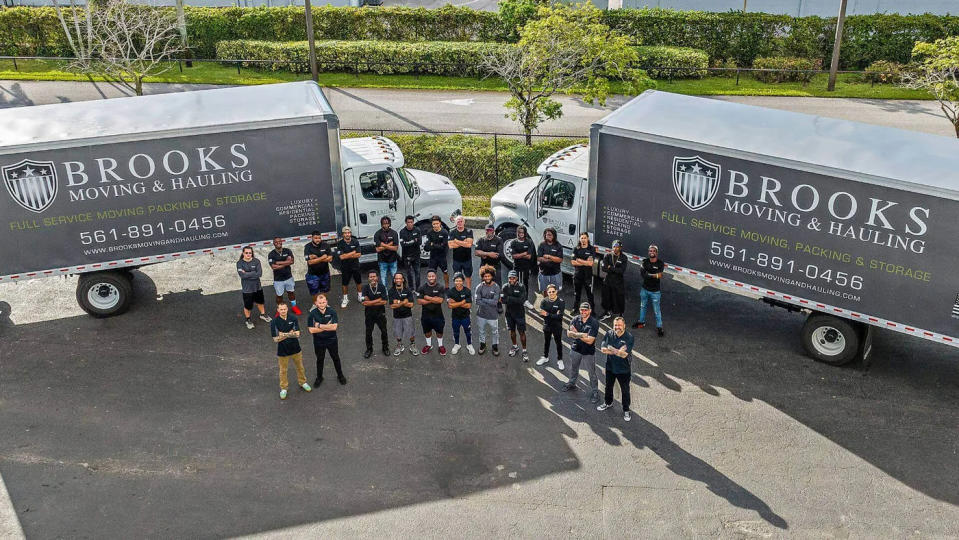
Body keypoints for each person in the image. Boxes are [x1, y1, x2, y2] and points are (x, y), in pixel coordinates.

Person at [271, 302, 311, 400]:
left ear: (287, 309)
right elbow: (275, 339)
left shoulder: (293, 318)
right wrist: (289, 333)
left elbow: (297, 334)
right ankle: (284, 388)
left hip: (296, 349)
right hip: (282, 351)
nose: (283, 311)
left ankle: (303, 382)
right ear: (278, 310)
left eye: (284, 309)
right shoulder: (274, 322)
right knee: (283, 371)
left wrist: (283, 334)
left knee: (300, 367)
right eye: (281, 309)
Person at [598, 317, 635, 421]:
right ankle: (608, 403)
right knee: (608, 387)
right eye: (615, 325)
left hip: (624, 370)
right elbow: (603, 349)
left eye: (619, 325)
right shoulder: (609, 334)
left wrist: (612, 349)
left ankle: (626, 410)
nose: (617, 327)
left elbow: (624, 355)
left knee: (625, 390)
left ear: (624, 326)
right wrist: (618, 351)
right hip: (610, 367)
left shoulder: (629, 337)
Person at [565, 302, 601, 403]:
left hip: (588, 352)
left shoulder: (594, 322)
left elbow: (590, 341)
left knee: (592, 373)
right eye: (581, 310)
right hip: (575, 349)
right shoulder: (575, 319)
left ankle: (595, 392)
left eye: (585, 310)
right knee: (573, 368)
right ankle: (571, 383)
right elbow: (568, 333)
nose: (583, 312)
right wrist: (583, 335)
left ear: (590, 310)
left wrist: (576, 333)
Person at [307, 294, 346, 386]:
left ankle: (340, 376)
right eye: (320, 303)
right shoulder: (312, 314)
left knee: (335, 358)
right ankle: (319, 377)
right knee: (320, 359)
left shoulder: (332, 312)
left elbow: (334, 327)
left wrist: (319, 325)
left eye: (324, 302)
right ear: (316, 303)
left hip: (331, 340)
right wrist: (327, 326)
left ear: (327, 302)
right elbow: (311, 330)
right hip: (318, 341)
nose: (322, 304)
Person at [633, 244, 665, 337]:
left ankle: (659, 327)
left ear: (656, 253)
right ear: (648, 252)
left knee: (656, 310)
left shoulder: (660, 263)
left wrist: (649, 274)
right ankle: (641, 322)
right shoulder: (644, 261)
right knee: (643, 306)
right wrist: (654, 275)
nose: (652, 252)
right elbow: (643, 274)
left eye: (653, 251)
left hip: (655, 292)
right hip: (644, 289)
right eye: (650, 251)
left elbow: (660, 275)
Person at [237, 245, 271, 329]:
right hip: (247, 289)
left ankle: (263, 314)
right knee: (248, 306)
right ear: (243, 253)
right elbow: (242, 275)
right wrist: (253, 272)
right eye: (246, 253)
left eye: (250, 253)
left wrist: (247, 273)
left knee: (260, 302)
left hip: (257, 287)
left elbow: (259, 274)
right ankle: (248, 319)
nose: (248, 254)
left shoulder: (256, 261)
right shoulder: (239, 263)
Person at [501, 270, 529, 362]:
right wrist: (514, 299)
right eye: (510, 278)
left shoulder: (521, 287)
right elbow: (503, 300)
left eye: (513, 278)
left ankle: (524, 351)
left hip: (519, 314)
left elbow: (522, 301)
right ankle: (515, 346)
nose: (511, 280)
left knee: (522, 332)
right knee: (512, 331)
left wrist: (509, 298)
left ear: (517, 278)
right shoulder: (505, 287)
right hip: (509, 314)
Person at [418, 269, 447, 355]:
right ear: (427, 277)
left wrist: (427, 298)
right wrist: (433, 299)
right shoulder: (422, 288)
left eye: (433, 276)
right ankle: (428, 345)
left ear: (436, 276)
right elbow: (419, 301)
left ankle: (441, 346)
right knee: (427, 332)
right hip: (425, 315)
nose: (431, 278)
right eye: (429, 276)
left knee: (439, 332)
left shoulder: (440, 287)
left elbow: (440, 300)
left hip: (438, 315)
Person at [268, 237, 300, 315]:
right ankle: (279, 310)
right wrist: (286, 262)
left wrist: (279, 262)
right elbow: (273, 267)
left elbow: (292, 261)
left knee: (291, 292)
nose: (278, 243)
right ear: (274, 243)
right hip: (278, 279)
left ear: (282, 242)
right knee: (279, 296)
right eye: (276, 242)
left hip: (289, 277)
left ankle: (294, 307)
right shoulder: (271, 254)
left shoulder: (287, 251)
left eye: (279, 241)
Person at [362, 269, 390, 359]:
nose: (372, 278)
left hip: (380, 313)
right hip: (369, 314)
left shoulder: (382, 287)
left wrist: (371, 302)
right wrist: (378, 300)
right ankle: (369, 349)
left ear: (377, 277)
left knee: (384, 331)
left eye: (374, 276)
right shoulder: (365, 288)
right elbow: (365, 303)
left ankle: (385, 348)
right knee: (368, 332)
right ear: (368, 278)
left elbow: (384, 302)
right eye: (371, 277)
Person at [536, 283, 565, 371]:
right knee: (546, 342)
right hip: (547, 325)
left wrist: (547, 314)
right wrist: (553, 315)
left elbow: (559, 316)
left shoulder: (561, 302)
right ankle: (545, 357)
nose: (551, 293)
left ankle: (560, 359)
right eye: (549, 292)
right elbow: (541, 314)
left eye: (553, 291)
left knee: (558, 343)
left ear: (556, 291)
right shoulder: (544, 301)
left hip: (557, 326)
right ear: (547, 292)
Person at [389, 272, 418, 356]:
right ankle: (399, 345)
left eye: (400, 278)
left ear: (403, 279)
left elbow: (411, 304)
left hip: (407, 315)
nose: (398, 280)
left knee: (411, 332)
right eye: (396, 278)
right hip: (397, 316)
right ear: (394, 280)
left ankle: (412, 345)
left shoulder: (408, 290)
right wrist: (403, 302)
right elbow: (392, 306)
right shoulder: (391, 291)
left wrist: (397, 302)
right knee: (398, 333)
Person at [474, 265, 501, 356]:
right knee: (481, 331)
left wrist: (484, 300)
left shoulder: (496, 287)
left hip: (493, 315)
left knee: (495, 332)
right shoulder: (479, 287)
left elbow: (495, 302)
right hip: (481, 315)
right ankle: (482, 345)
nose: (487, 278)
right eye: (485, 276)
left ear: (492, 276)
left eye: (489, 276)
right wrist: (490, 301)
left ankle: (495, 346)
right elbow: (477, 301)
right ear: (482, 277)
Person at [447, 272, 475, 355]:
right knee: (456, 332)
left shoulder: (467, 291)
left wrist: (455, 303)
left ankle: (469, 345)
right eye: (456, 281)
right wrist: (462, 302)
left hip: (465, 316)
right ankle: (457, 344)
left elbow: (469, 305)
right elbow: (450, 306)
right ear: (454, 281)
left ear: (463, 281)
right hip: (455, 317)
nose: (458, 282)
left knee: (468, 331)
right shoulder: (451, 291)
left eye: (460, 281)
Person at [599, 239, 627, 321]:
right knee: (606, 297)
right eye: (614, 247)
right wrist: (615, 269)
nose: (615, 248)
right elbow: (603, 268)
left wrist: (610, 267)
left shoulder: (624, 257)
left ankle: (620, 314)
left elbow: (622, 271)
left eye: (617, 247)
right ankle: (606, 312)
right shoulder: (607, 256)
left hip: (618, 282)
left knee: (619, 298)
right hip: (608, 281)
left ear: (620, 248)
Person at [336, 226, 363, 308]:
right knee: (345, 283)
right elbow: (341, 257)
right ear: (343, 234)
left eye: (348, 233)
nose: (347, 234)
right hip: (345, 267)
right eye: (345, 233)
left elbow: (359, 254)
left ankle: (360, 296)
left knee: (358, 281)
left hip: (355, 266)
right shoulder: (340, 243)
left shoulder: (355, 241)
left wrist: (347, 255)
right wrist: (352, 253)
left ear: (350, 233)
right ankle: (345, 299)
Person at [304, 230, 333, 304]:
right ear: (312, 238)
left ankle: (323, 304)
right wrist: (322, 257)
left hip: (325, 273)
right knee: (314, 291)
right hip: (312, 274)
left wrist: (316, 259)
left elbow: (330, 258)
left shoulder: (326, 245)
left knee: (325, 290)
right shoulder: (308, 247)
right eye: (316, 238)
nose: (318, 240)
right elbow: (310, 262)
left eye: (319, 238)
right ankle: (315, 305)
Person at [571, 232, 596, 314]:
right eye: (581, 238)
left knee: (590, 294)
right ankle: (575, 308)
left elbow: (591, 263)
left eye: (585, 238)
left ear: (588, 238)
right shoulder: (576, 249)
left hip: (588, 276)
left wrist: (579, 260)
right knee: (577, 293)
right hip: (577, 275)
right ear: (579, 239)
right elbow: (573, 262)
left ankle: (592, 311)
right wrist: (585, 262)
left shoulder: (591, 249)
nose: (583, 240)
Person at [510, 225, 537, 302]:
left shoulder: (529, 242)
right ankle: (517, 299)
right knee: (516, 283)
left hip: (526, 267)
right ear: (517, 233)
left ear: (525, 233)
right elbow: (513, 256)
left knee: (525, 284)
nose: (521, 234)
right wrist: (524, 253)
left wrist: (519, 255)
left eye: (523, 232)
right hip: (517, 267)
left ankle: (525, 300)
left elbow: (529, 256)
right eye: (519, 232)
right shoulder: (513, 242)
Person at [448, 216, 474, 289]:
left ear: (464, 222)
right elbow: (450, 245)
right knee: (457, 278)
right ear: (455, 223)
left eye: (461, 221)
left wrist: (456, 241)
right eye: (458, 221)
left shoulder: (469, 231)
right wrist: (463, 242)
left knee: (468, 277)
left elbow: (469, 245)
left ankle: (468, 293)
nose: (459, 223)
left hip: (467, 260)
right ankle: (458, 293)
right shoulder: (452, 232)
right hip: (456, 261)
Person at [374, 216, 399, 287]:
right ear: (381, 224)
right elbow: (377, 249)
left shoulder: (394, 233)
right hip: (382, 260)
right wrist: (389, 244)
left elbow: (395, 248)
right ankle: (386, 294)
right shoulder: (377, 234)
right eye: (384, 223)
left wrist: (383, 245)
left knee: (396, 278)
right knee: (383, 279)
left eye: (387, 223)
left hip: (393, 260)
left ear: (389, 224)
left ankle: (395, 292)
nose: (386, 225)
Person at [399, 215, 423, 291]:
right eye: (408, 222)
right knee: (409, 274)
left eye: (411, 222)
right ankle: (411, 288)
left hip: (416, 255)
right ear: (406, 223)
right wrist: (413, 241)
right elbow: (403, 245)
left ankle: (418, 288)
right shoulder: (402, 232)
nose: (410, 224)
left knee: (418, 273)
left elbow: (419, 242)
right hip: (406, 256)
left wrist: (408, 242)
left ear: (413, 222)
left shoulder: (417, 230)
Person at [537, 228, 563, 294]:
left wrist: (549, 256)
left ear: (554, 236)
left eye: (550, 235)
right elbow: (539, 258)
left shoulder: (558, 246)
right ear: (545, 235)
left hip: (555, 273)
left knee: (555, 292)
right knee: (545, 291)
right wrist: (553, 259)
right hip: (543, 273)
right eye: (547, 235)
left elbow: (560, 260)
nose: (548, 236)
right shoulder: (541, 245)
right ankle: (546, 303)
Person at [426, 216, 450, 287]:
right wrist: (436, 245)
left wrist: (433, 244)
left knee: (445, 272)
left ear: (440, 223)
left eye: (437, 223)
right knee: (432, 274)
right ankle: (433, 287)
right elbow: (427, 246)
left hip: (442, 257)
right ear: (432, 224)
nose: (435, 225)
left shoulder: (444, 232)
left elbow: (443, 247)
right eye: (434, 224)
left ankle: (447, 287)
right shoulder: (429, 232)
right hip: (433, 257)